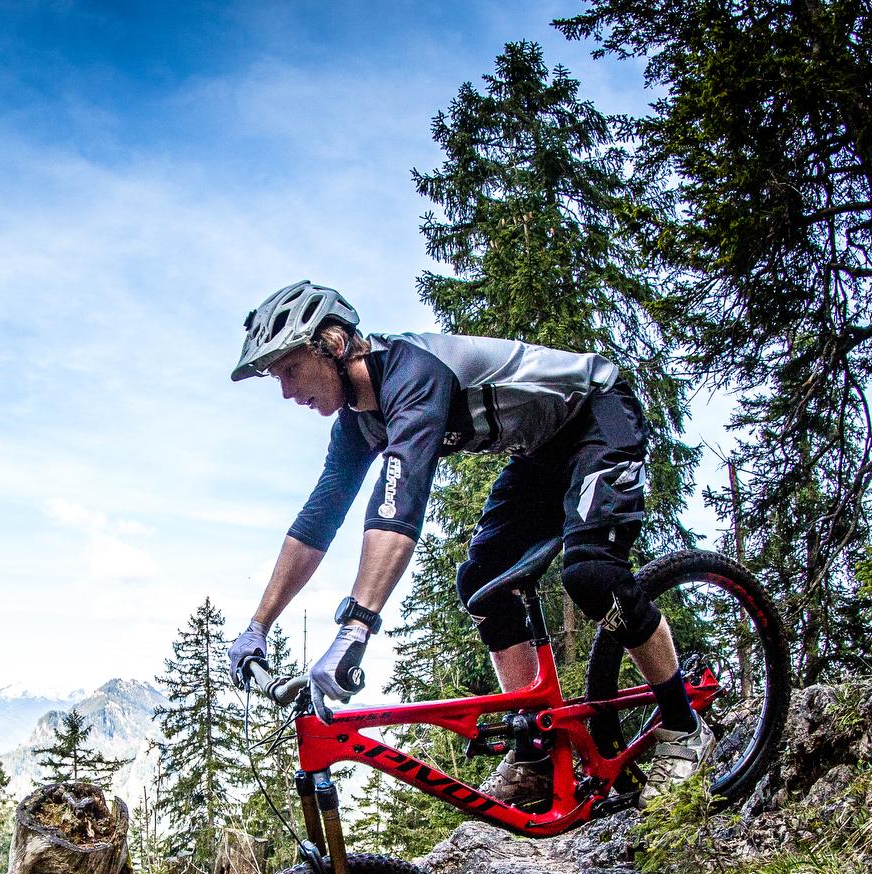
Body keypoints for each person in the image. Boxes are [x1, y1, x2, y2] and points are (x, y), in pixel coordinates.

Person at [224, 279, 710, 809]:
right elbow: (319, 520)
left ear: (335, 344)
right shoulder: (357, 423)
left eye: (290, 370)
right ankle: (537, 749)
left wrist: (356, 626)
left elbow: (398, 501)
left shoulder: (414, 373)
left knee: (591, 574)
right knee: (483, 584)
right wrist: (258, 624)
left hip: (598, 415)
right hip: (541, 452)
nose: (286, 391)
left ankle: (684, 727)